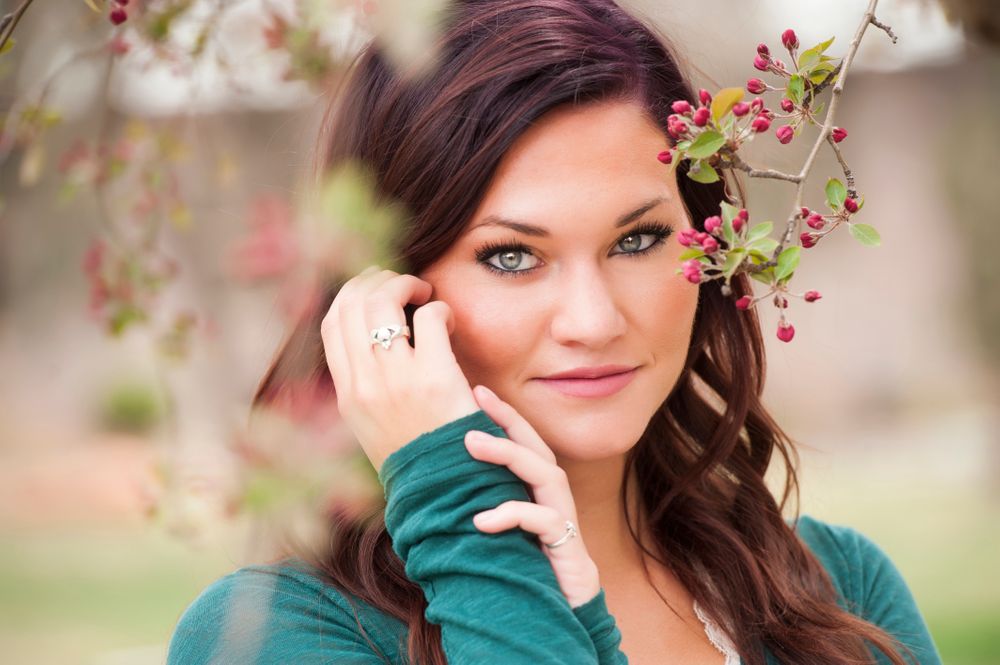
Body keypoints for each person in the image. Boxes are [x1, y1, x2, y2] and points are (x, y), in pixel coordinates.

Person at [166, 1, 942, 663]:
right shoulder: (286, 634)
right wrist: (465, 522)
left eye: (636, 240)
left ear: (707, 245)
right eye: (512, 256)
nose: (594, 320)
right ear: (385, 294)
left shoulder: (839, 597)